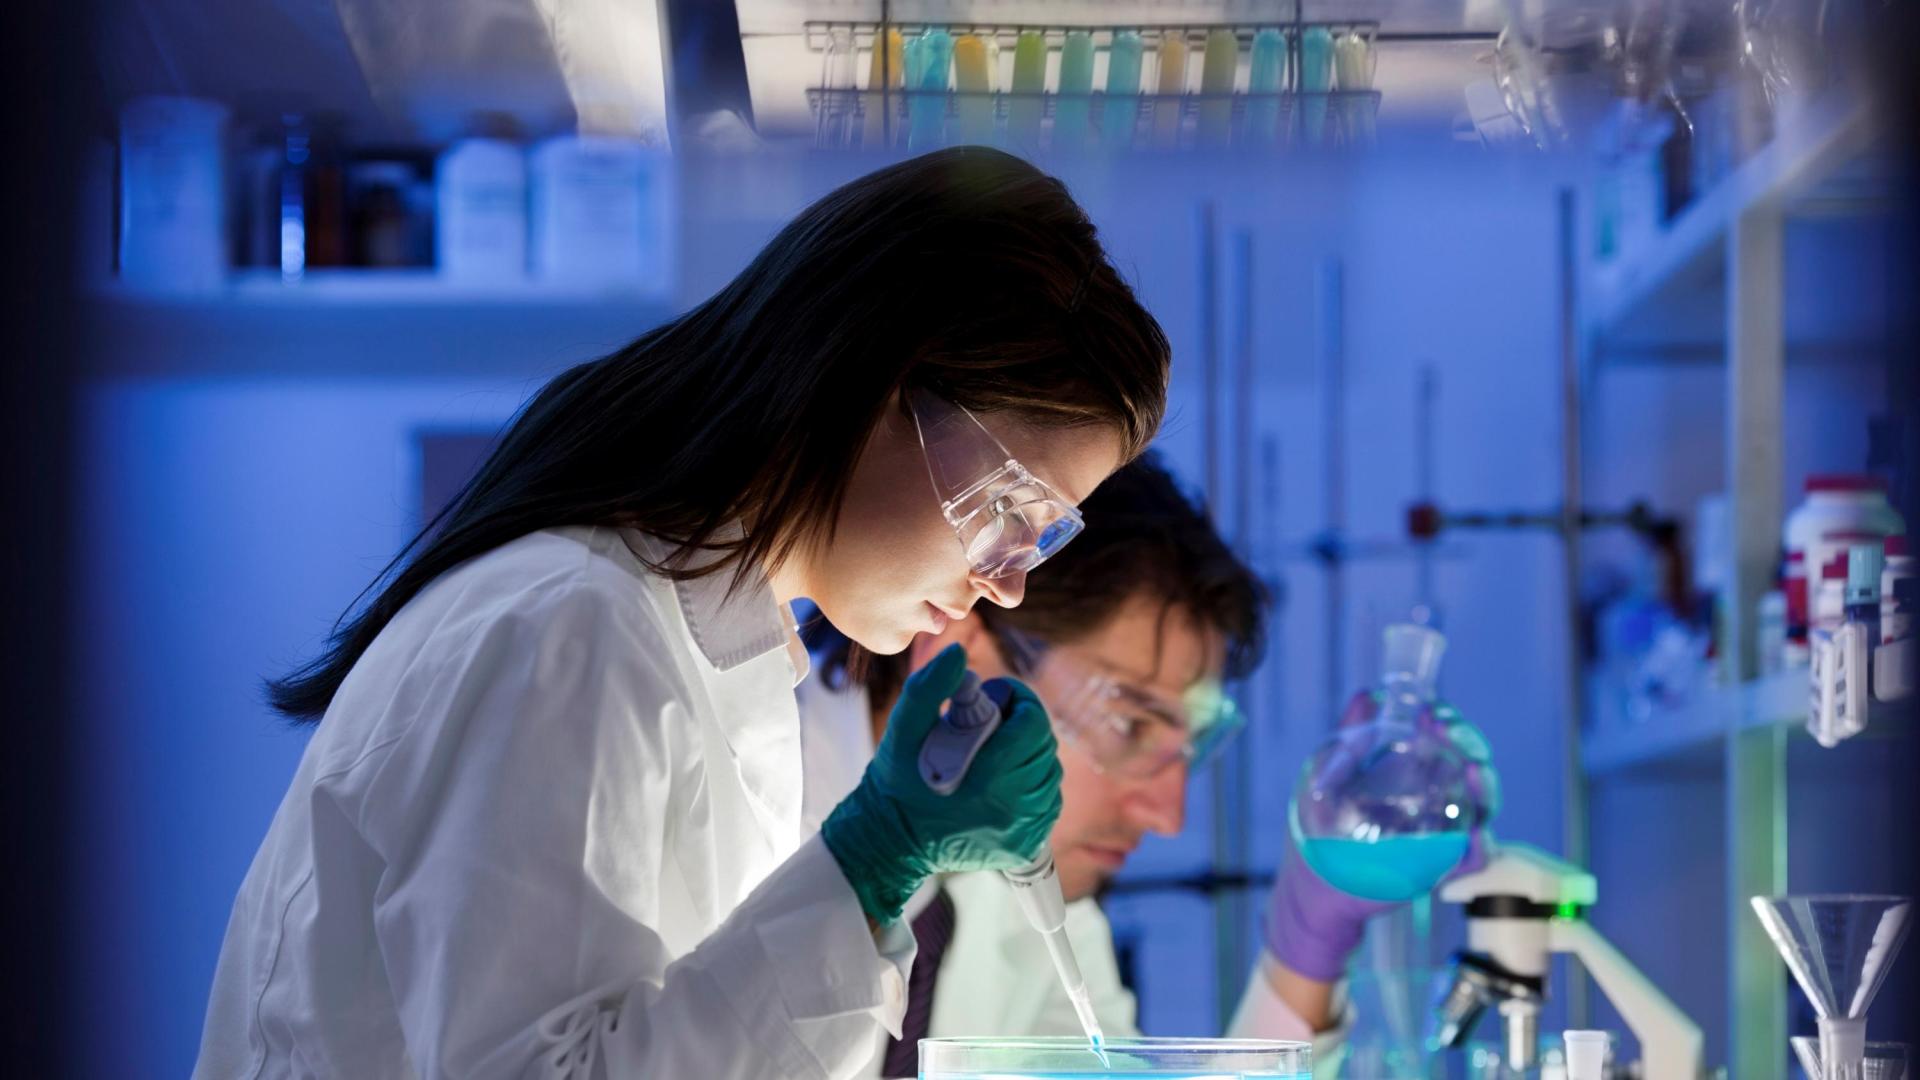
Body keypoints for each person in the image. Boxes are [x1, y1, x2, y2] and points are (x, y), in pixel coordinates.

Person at [194, 147, 1172, 1080]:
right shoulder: (570, 629)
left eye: (1043, 535)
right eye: (1010, 510)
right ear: (877, 385)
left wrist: (873, 868)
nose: (1010, 583)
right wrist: (875, 856)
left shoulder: (713, 650)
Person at [801, 455, 1498, 1078]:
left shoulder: (1034, 910)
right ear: (960, 659)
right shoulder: (742, 805)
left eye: (1188, 751)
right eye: (1132, 723)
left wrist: (1304, 948)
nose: (1166, 816)